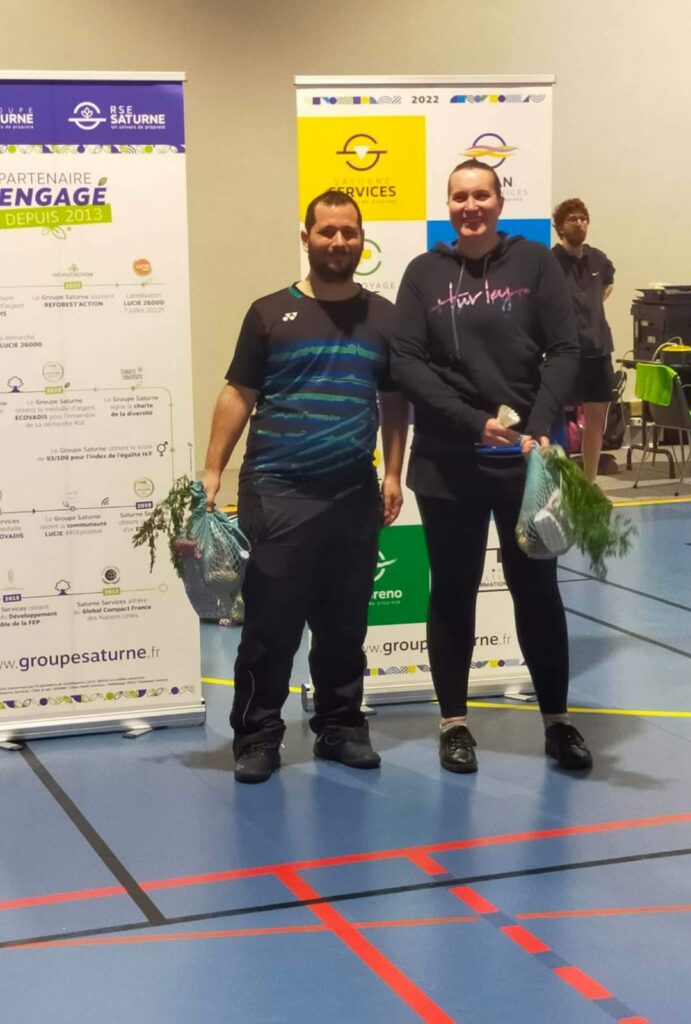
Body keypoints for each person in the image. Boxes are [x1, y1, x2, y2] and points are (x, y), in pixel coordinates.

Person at [390, 159, 592, 774]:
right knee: (453, 591)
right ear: (448, 206)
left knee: (538, 591)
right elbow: (406, 362)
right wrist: (471, 421)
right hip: (448, 461)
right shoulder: (423, 273)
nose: (470, 206)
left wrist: (538, 427)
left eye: (481, 195)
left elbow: (565, 349)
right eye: (459, 197)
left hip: (525, 463)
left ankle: (557, 722)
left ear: (500, 202)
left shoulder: (534, 263)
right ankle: (454, 724)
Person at [202, 189, 409, 783]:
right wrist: (213, 468)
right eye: (327, 231)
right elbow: (238, 392)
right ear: (307, 238)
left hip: (352, 493)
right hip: (277, 492)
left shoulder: (385, 317)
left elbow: (395, 400)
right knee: (271, 628)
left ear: (362, 239)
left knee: (344, 625)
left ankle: (340, 728)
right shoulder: (269, 312)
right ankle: (258, 736)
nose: (339, 241)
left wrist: (392, 473)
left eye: (349, 232)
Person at [552, 198, 616, 482]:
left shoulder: (598, 259)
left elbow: (608, 284)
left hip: (598, 350)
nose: (579, 223)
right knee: (557, 422)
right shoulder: (550, 261)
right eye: (572, 219)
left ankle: (589, 482)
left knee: (595, 422)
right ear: (559, 227)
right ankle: (560, 481)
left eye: (583, 218)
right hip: (566, 353)